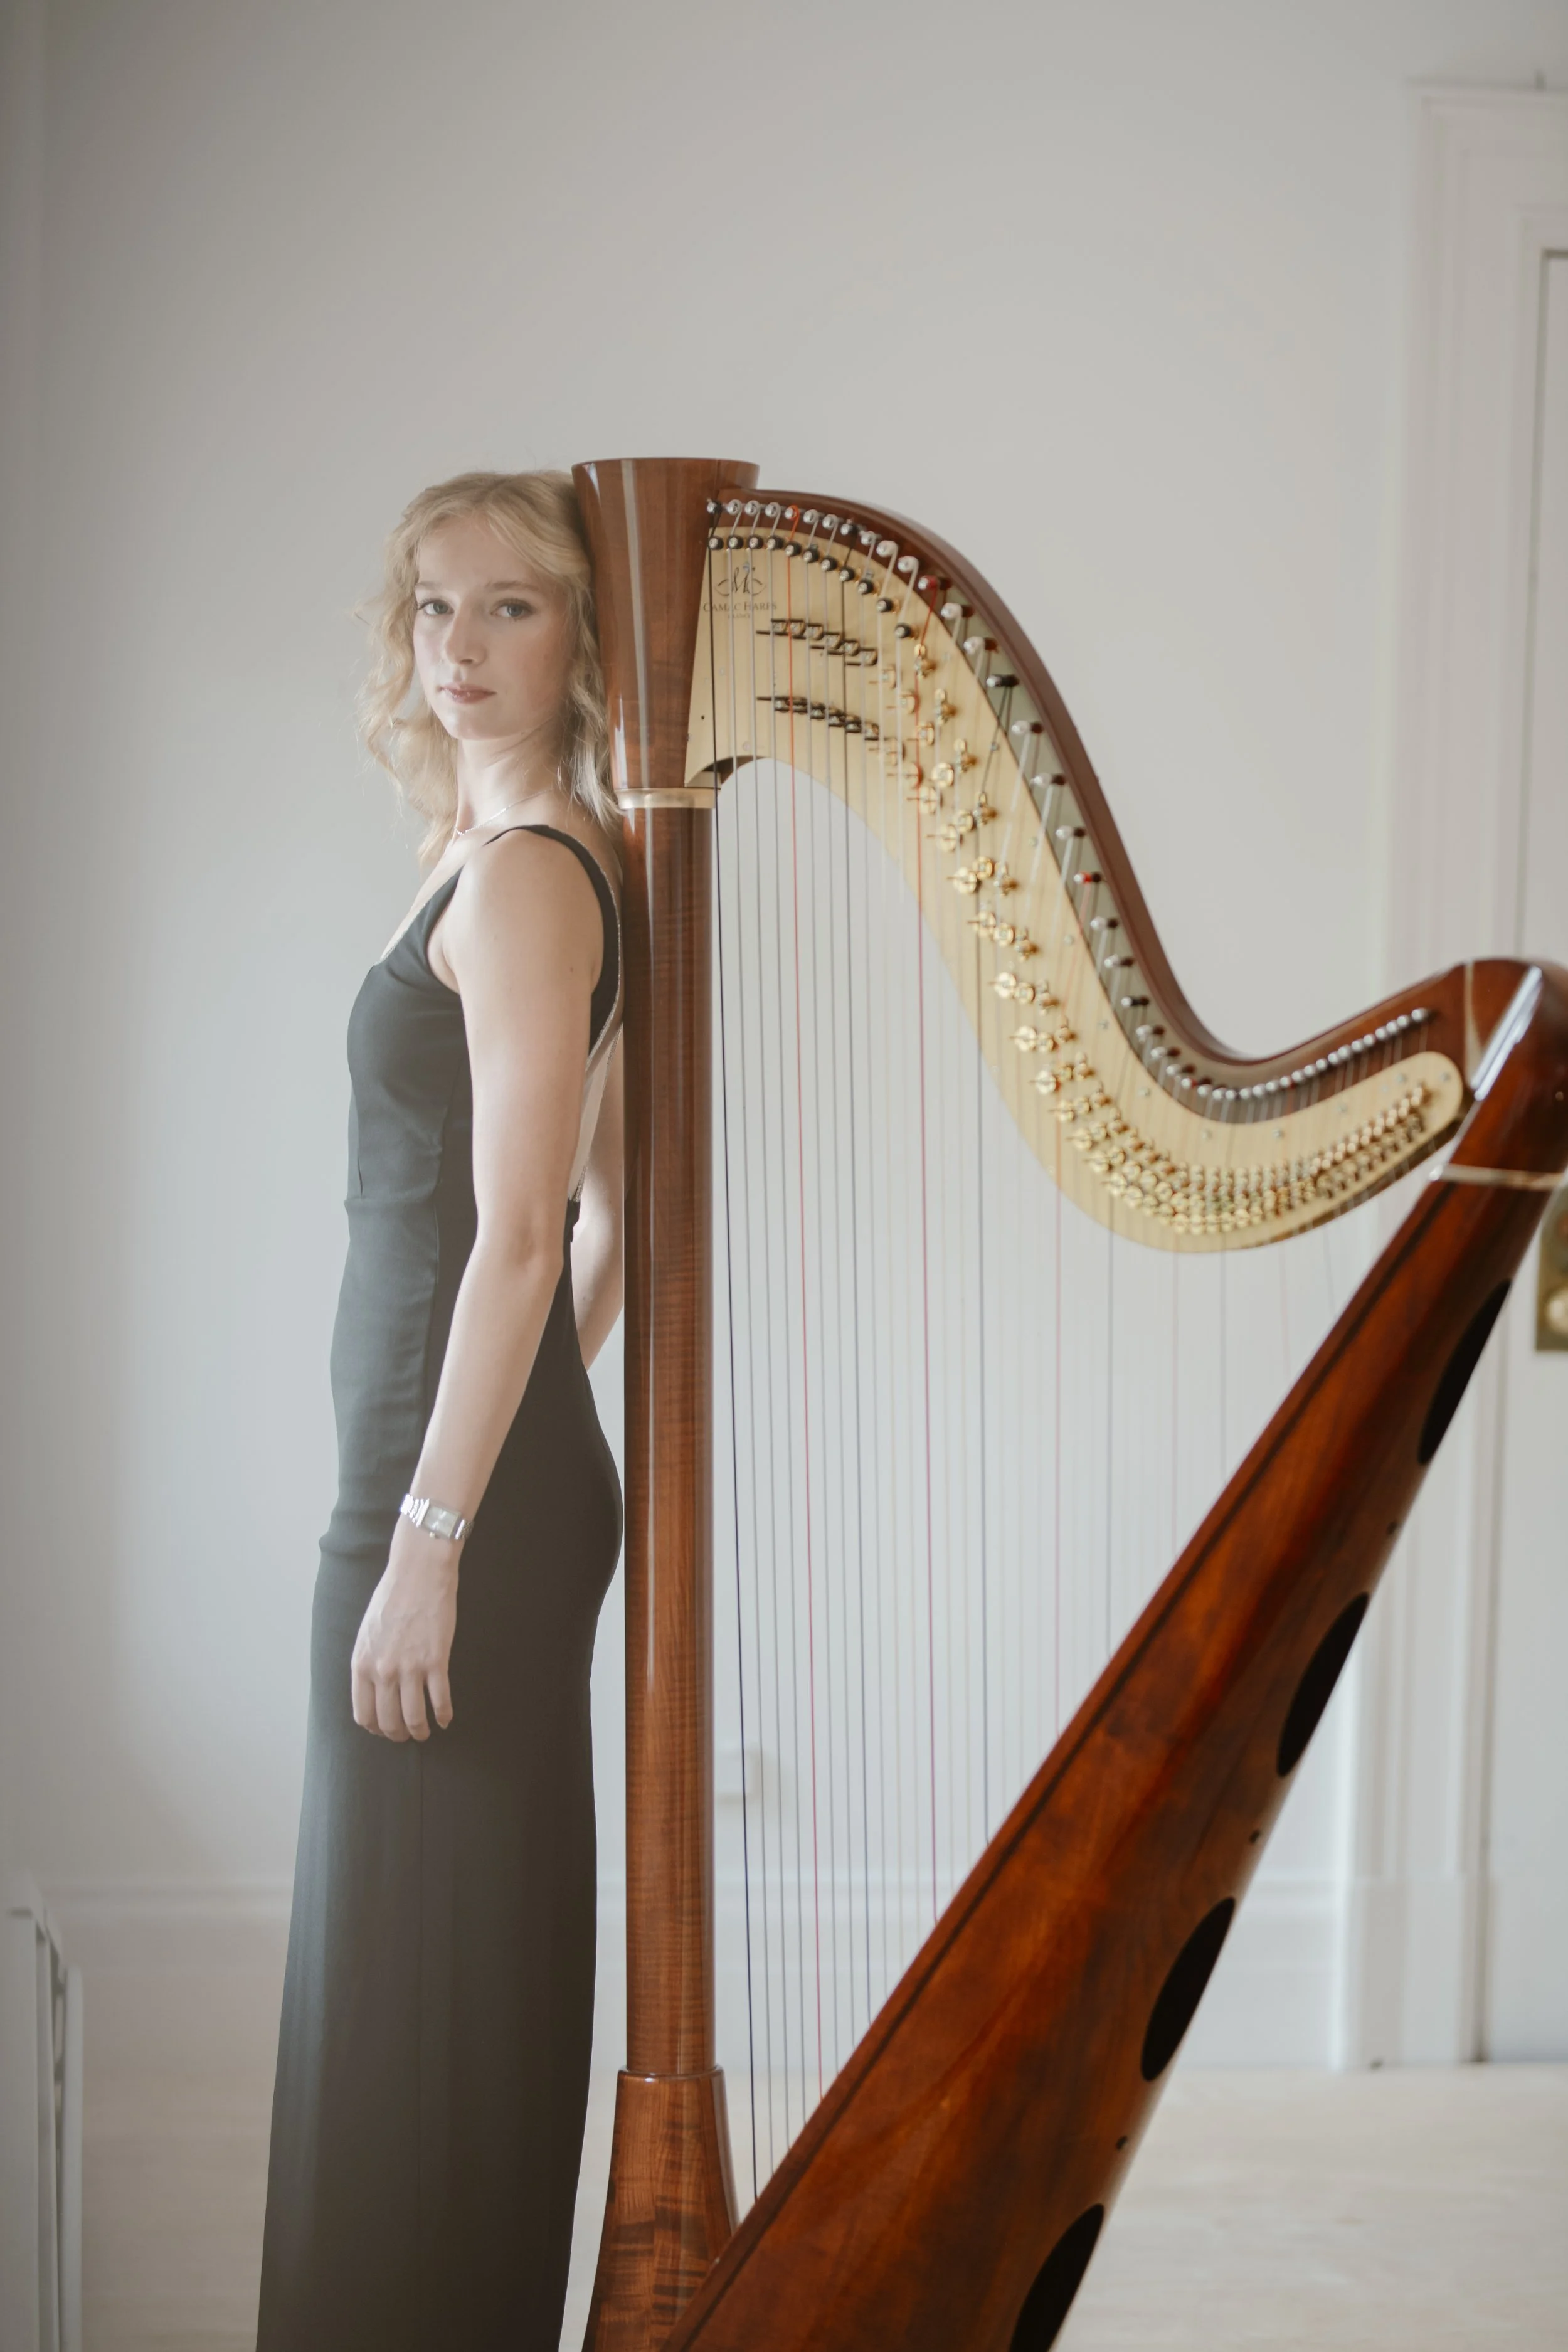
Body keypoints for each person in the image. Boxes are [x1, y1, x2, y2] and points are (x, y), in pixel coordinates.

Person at [257, 471, 625, 2349]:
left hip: (441, 1506)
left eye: (511, 607)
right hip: (449, 1474)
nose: (459, 648)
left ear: (583, 636)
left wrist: (439, 1533)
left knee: (418, 2013)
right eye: (432, 605)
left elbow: (533, 1231)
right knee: (399, 1991)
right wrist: (512, 1441)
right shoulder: (487, 850)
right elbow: (606, 1223)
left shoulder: (532, 874)